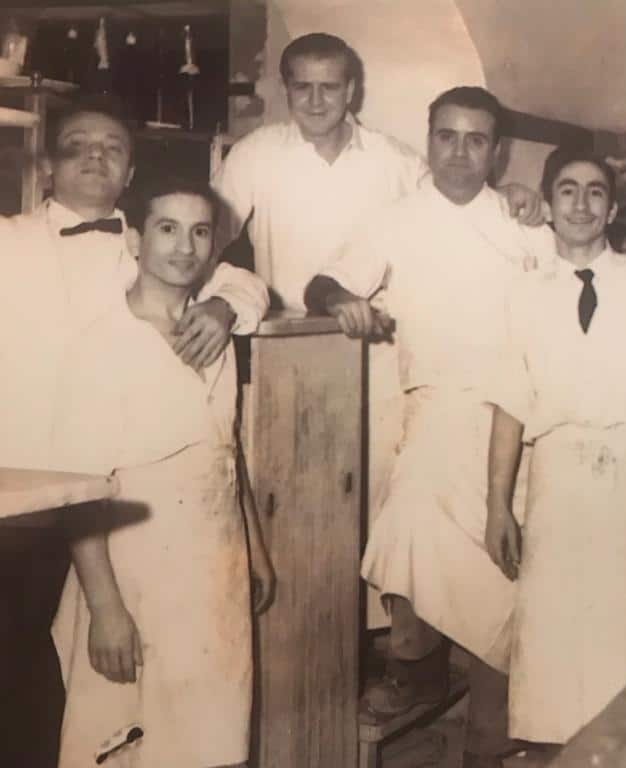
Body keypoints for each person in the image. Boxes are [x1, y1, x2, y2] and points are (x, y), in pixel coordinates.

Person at [211, 31, 541, 632]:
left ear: (352, 90)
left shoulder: (395, 161)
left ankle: (379, 645)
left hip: (386, 360)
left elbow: (455, 205)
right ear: (285, 90)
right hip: (291, 360)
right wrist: (222, 303)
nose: (316, 101)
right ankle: (310, 645)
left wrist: (517, 196)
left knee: (379, 501)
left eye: (329, 87)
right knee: (296, 503)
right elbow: (210, 239)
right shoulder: (256, 154)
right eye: (303, 88)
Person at [0, 96, 267, 768]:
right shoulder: (8, 241)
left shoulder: (153, 235)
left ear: (130, 170)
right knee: (34, 684)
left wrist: (224, 307)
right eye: (77, 145)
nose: (95, 158)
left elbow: (243, 281)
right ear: (46, 164)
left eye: (112, 147)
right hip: (27, 496)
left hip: (142, 513)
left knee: (170, 711)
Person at [306, 86, 550, 768]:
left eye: (477, 139)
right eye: (447, 136)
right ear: (429, 140)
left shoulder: (524, 223)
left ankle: (493, 739)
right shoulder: (397, 220)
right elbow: (320, 284)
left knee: (505, 575)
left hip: (519, 418)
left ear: (497, 151)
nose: (460, 153)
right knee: (407, 531)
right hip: (436, 409)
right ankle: (417, 671)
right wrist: (342, 300)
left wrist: (536, 203)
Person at [50, 177, 274, 768]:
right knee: (125, 745)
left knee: (213, 742)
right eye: (167, 229)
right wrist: (105, 608)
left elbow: (226, 449)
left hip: (213, 567)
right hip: (132, 571)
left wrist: (253, 550)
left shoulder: (213, 332)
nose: (184, 247)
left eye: (199, 232)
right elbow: (78, 493)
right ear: (134, 239)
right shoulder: (101, 344)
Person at [485, 146, 626, 745]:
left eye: (596, 192)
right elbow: (510, 403)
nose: (581, 204)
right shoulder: (522, 291)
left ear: (612, 211)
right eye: (568, 190)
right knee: (553, 636)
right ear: (548, 205)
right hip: (555, 482)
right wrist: (497, 504)